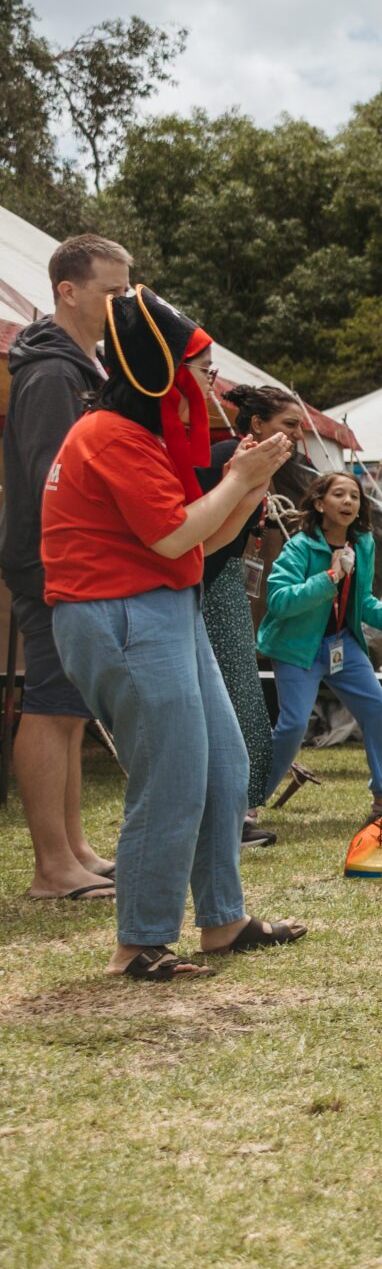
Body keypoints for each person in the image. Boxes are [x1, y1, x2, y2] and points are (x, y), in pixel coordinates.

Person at [42, 284, 301, 980]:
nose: (212, 385)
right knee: (174, 773)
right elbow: (173, 535)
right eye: (203, 369)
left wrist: (251, 482)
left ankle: (222, 920)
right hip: (119, 611)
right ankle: (140, 943)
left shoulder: (142, 436)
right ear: (161, 373)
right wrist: (239, 477)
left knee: (224, 764)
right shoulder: (111, 435)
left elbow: (202, 539)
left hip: (161, 604)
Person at [3, 233, 124, 901]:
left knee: (71, 707)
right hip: (52, 562)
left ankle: (75, 849)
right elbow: (55, 477)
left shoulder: (81, 367)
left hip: (73, 561)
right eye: (112, 292)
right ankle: (52, 867)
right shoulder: (52, 374)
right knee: (51, 706)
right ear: (68, 291)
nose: (122, 305)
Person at [257, 471, 382, 812]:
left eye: (355, 497)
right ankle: (249, 801)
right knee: (293, 725)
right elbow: (280, 602)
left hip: (341, 644)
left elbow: (363, 601)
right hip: (296, 648)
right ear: (319, 504)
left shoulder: (363, 544)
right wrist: (330, 577)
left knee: (378, 708)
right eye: (339, 495)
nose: (348, 502)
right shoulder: (299, 547)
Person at [200, 383, 308, 848]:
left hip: (224, 582)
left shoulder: (262, 466)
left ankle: (237, 813)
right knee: (233, 698)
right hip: (206, 584)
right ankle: (229, 815)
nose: (297, 435)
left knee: (241, 695)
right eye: (289, 425)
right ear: (258, 424)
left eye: (300, 426)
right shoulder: (228, 457)